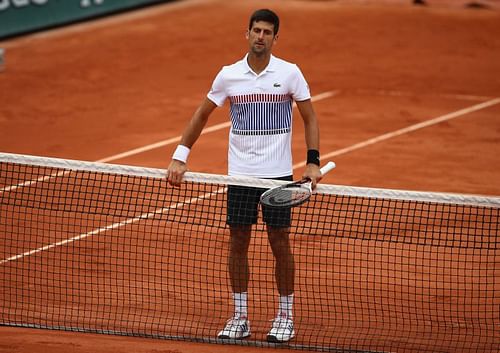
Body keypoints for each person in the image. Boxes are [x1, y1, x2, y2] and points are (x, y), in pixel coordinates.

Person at [166, 8, 323, 343]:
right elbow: (202, 114)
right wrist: (180, 156)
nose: (260, 37)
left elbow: (310, 117)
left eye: (267, 32)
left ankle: (284, 316)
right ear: (247, 33)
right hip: (240, 177)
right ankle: (239, 316)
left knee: (280, 243)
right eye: (256, 31)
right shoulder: (228, 76)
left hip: (278, 177)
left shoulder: (290, 73)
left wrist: (312, 162)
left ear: (275, 38)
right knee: (238, 243)